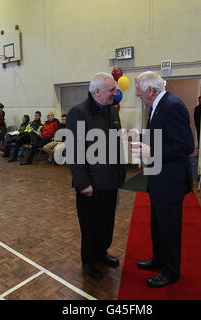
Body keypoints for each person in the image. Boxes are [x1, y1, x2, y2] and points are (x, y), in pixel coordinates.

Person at [132, 71, 194, 288]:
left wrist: (152, 151)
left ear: (150, 90)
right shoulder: (158, 105)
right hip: (159, 177)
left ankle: (171, 271)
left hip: (171, 179)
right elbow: (160, 138)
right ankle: (159, 259)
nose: (136, 93)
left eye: (138, 89)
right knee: (157, 224)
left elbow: (185, 145)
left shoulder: (172, 105)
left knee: (169, 228)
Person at [66, 72, 126, 280]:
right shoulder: (78, 112)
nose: (115, 94)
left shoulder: (112, 110)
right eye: (111, 90)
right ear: (97, 91)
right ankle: (89, 260)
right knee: (90, 225)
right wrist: (83, 183)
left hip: (110, 180)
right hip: (91, 183)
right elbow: (74, 150)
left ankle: (101, 253)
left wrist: (121, 172)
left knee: (107, 222)